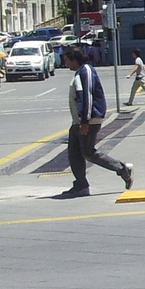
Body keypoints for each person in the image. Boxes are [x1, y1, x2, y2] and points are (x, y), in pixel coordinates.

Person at [57, 46, 132, 199]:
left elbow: (88, 97)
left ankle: (121, 168)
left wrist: (85, 121)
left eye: (66, 61)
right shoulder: (80, 72)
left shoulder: (86, 71)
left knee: (88, 152)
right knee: (74, 153)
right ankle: (81, 185)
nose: (65, 64)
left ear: (74, 59)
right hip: (79, 120)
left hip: (89, 120)